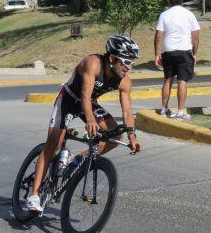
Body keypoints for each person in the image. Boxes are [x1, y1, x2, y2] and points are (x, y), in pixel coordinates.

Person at [25, 35, 143, 213]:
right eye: (126, 61)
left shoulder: (124, 80)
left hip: (89, 104)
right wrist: (90, 120)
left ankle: (77, 159)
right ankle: (33, 195)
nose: (128, 67)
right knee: (53, 145)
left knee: (114, 135)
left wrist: (132, 136)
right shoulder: (93, 63)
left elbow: (127, 112)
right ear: (112, 58)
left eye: (132, 62)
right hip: (69, 100)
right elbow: (85, 95)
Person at [155, 0, 200, 120]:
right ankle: (180, 111)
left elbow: (158, 36)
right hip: (184, 50)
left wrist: (157, 54)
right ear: (181, 0)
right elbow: (196, 36)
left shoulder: (164, 15)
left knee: (168, 79)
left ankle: (164, 108)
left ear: (169, 1)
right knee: (182, 80)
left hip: (168, 50)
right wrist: (194, 53)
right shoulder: (189, 14)